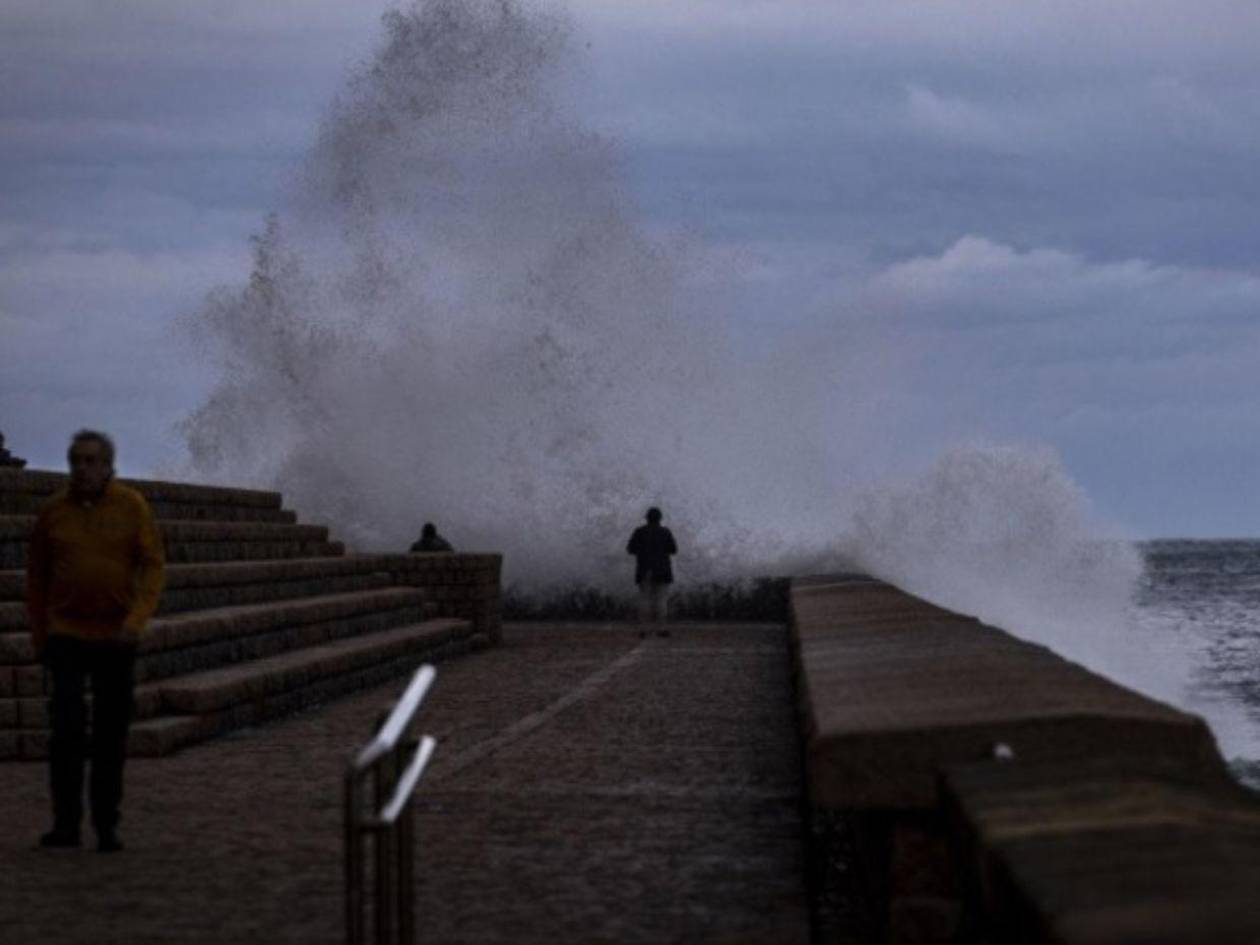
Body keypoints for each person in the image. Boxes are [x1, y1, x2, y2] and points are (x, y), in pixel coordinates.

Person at [26, 430, 165, 853]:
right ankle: (65, 824)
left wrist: (137, 620)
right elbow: (37, 579)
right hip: (65, 636)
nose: (83, 469)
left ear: (108, 466)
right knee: (65, 733)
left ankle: (107, 823)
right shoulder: (53, 512)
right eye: (76, 461)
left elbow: (153, 566)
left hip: (115, 638)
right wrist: (40, 636)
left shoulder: (131, 507)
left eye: (91, 461)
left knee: (109, 736)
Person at [626, 507, 677, 637]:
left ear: (647, 518)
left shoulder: (639, 532)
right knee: (661, 600)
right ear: (660, 518)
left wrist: (643, 552)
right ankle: (662, 629)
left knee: (644, 599)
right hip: (662, 570)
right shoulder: (665, 532)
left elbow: (630, 549)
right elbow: (673, 550)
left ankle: (643, 629)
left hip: (644, 569)